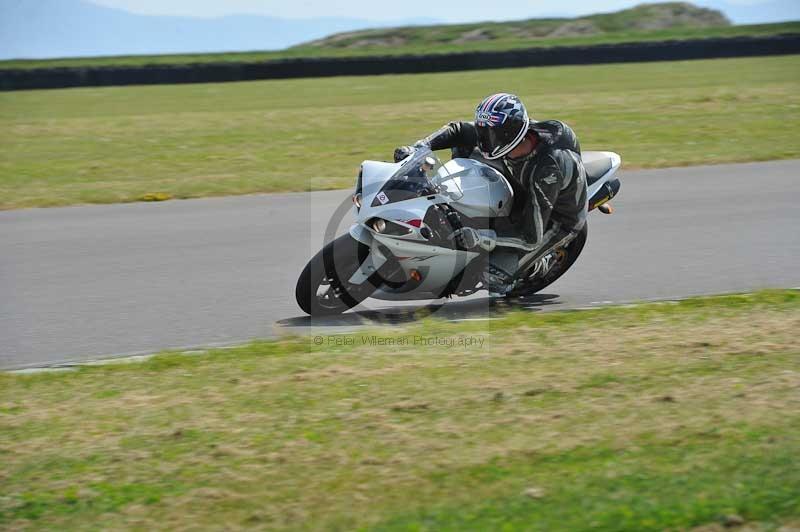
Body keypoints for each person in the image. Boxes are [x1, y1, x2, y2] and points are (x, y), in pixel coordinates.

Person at [394, 93, 588, 295]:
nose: (484, 138)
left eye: (491, 134)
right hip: (521, 182)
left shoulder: (547, 169)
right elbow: (458, 130)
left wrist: (478, 236)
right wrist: (419, 148)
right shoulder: (506, 140)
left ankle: (537, 265)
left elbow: (530, 236)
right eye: (482, 131)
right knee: (464, 145)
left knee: (492, 278)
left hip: (558, 217)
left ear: (510, 132)